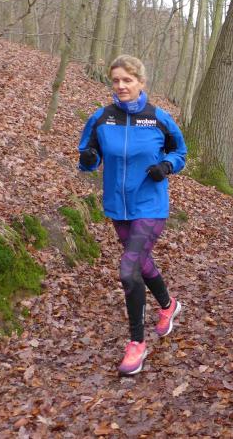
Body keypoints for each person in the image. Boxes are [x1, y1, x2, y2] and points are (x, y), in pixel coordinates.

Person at [78, 55, 187, 376]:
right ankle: (168, 305)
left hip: (150, 204)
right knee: (140, 261)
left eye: (127, 80)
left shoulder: (158, 119)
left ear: (141, 82)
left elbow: (180, 152)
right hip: (118, 206)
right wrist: (89, 158)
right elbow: (87, 159)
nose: (121, 86)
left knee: (128, 270)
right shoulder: (101, 118)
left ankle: (137, 343)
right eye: (116, 80)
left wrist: (166, 166)